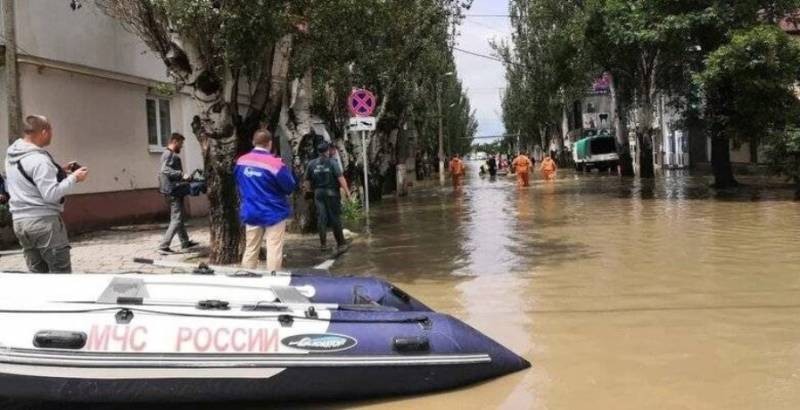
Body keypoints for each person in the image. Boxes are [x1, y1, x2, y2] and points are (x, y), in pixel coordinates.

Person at [4, 115, 89, 273]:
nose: (52, 134)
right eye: (51, 130)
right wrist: (74, 178)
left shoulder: (11, 156)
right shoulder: (39, 160)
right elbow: (51, 194)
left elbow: (27, 181)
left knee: (38, 277)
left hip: (21, 223)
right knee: (60, 275)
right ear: (44, 132)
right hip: (43, 223)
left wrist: (59, 171)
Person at [235, 129, 297, 271]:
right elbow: (289, 187)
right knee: (274, 248)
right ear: (269, 144)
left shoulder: (241, 161)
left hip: (251, 211)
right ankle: (273, 280)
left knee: (251, 248)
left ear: (253, 142)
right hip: (273, 212)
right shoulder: (275, 164)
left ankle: (247, 278)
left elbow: (239, 182)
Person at [158, 133, 199, 254]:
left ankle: (185, 242)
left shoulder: (169, 154)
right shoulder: (169, 154)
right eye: (181, 143)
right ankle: (164, 246)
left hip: (173, 189)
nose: (181, 146)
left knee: (179, 217)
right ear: (175, 142)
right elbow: (165, 170)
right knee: (176, 218)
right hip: (173, 191)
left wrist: (185, 178)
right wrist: (181, 174)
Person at [306, 142, 351, 252]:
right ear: (327, 151)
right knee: (335, 217)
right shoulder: (332, 162)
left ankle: (323, 245)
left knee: (322, 218)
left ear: (318, 151)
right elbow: (341, 178)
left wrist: (309, 192)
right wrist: (348, 193)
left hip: (318, 194)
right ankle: (341, 243)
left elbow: (307, 181)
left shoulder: (311, 164)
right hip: (332, 193)